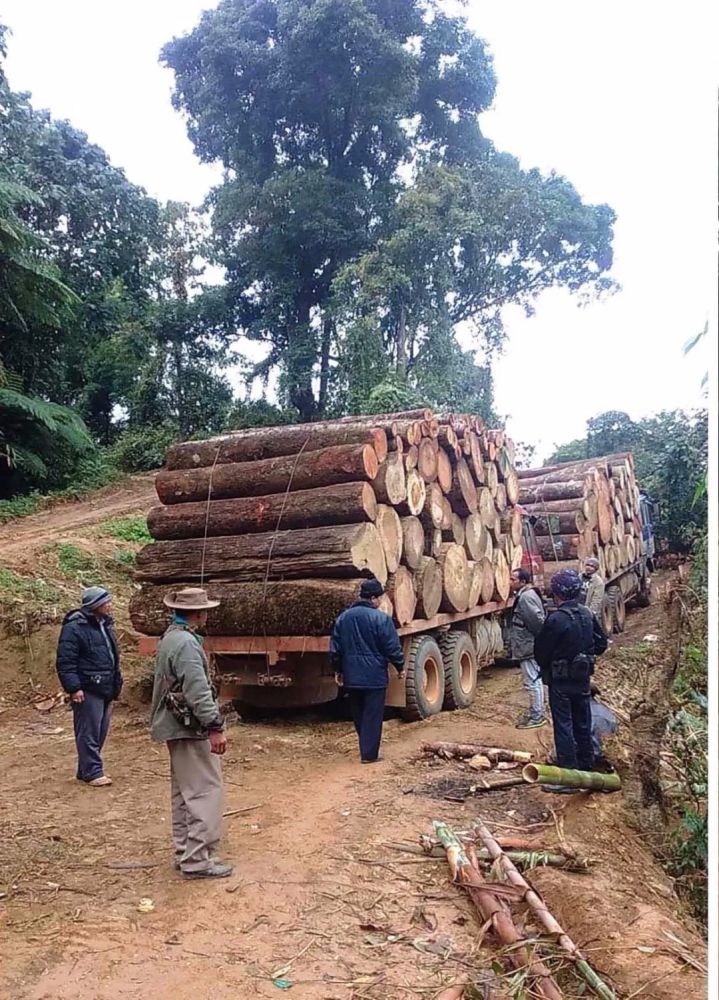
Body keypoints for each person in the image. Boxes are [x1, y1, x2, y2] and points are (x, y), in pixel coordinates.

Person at [150, 587, 232, 880]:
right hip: (189, 728)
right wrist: (214, 726)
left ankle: (185, 852)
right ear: (198, 613)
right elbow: (197, 691)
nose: (208, 614)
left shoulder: (170, 638)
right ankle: (197, 860)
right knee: (204, 791)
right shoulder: (186, 644)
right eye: (206, 609)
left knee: (184, 793)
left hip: (174, 726)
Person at [535, 569, 608, 793]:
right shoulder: (587, 614)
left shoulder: (556, 619)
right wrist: (584, 656)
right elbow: (602, 643)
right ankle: (586, 767)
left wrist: (556, 662)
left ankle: (568, 777)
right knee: (582, 722)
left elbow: (541, 652)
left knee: (564, 725)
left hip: (561, 681)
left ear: (557, 592)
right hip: (582, 678)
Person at [330, 578, 404, 764]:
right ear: (372, 598)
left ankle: (366, 744)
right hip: (375, 676)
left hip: (352, 676)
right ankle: (369, 754)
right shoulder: (381, 619)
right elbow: (392, 647)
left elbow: (335, 649)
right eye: (379, 597)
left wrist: (338, 670)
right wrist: (400, 666)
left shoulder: (343, 618)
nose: (380, 601)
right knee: (372, 715)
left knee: (359, 714)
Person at [56, 586, 122, 787]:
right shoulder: (74, 627)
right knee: (89, 731)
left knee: (100, 731)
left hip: (106, 686)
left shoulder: (105, 624)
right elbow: (65, 661)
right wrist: (74, 688)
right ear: (95, 605)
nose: (110, 605)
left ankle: (86, 769)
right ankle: (93, 771)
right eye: (106, 602)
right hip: (88, 687)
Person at [508, 568, 547, 729]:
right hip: (528, 643)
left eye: (512, 579)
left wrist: (536, 640)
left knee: (532, 681)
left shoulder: (526, 598)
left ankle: (537, 716)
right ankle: (537, 712)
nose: (509, 582)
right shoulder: (525, 595)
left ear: (522, 582)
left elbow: (538, 622)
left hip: (528, 644)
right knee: (534, 680)